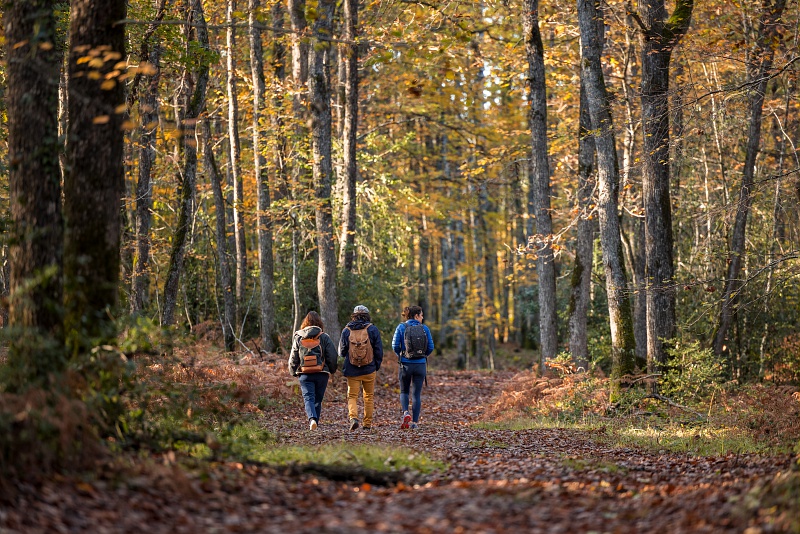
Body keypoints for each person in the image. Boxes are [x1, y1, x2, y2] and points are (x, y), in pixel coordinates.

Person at [288, 311, 338, 430]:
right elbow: (332, 355)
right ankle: (316, 422)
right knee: (318, 399)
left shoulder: (298, 337)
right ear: (319, 323)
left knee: (308, 397)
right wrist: (332, 369)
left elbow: (293, 355)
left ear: (305, 323)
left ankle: (312, 420)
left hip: (305, 373)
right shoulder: (324, 337)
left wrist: (293, 370)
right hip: (321, 373)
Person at [339, 305, 384, 432]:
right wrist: (376, 365)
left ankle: (353, 418)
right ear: (367, 315)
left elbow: (341, 352)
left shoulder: (346, 330)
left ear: (354, 315)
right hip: (369, 368)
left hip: (352, 369)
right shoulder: (373, 329)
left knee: (352, 396)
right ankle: (367, 424)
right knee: (368, 396)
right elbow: (379, 351)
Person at [392, 305, 434, 430]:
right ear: (416, 316)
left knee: (404, 391)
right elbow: (431, 347)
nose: (422, 317)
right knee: (416, 394)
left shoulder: (401, 327)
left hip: (405, 364)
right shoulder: (425, 329)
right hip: (420, 365)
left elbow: (395, 345)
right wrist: (422, 355)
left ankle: (405, 413)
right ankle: (415, 423)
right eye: (421, 315)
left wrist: (401, 355)